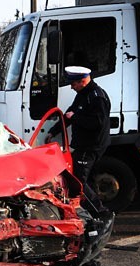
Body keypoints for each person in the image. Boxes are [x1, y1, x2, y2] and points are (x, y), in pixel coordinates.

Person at [45, 66, 112, 216]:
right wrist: (54, 131)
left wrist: (75, 118)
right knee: (85, 179)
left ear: (82, 81)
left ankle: (100, 212)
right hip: (85, 145)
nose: (71, 87)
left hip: (90, 146)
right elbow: (70, 113)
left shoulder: (96, 97)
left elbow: (97, 123)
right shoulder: (83, 94)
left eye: (73, 84)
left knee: (78, 181)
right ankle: (92, 209)